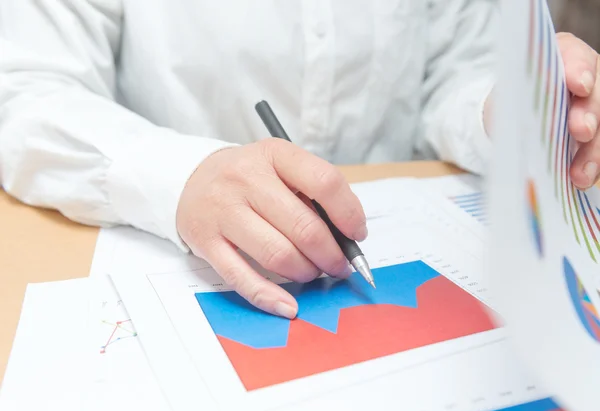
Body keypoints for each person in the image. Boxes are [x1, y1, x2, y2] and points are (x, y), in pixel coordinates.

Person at [0, 1, 598, 319]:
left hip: (403, 221)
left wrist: (508, 106)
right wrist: (181, 177)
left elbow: (453, 75)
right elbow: (24, 88)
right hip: (147, 260)